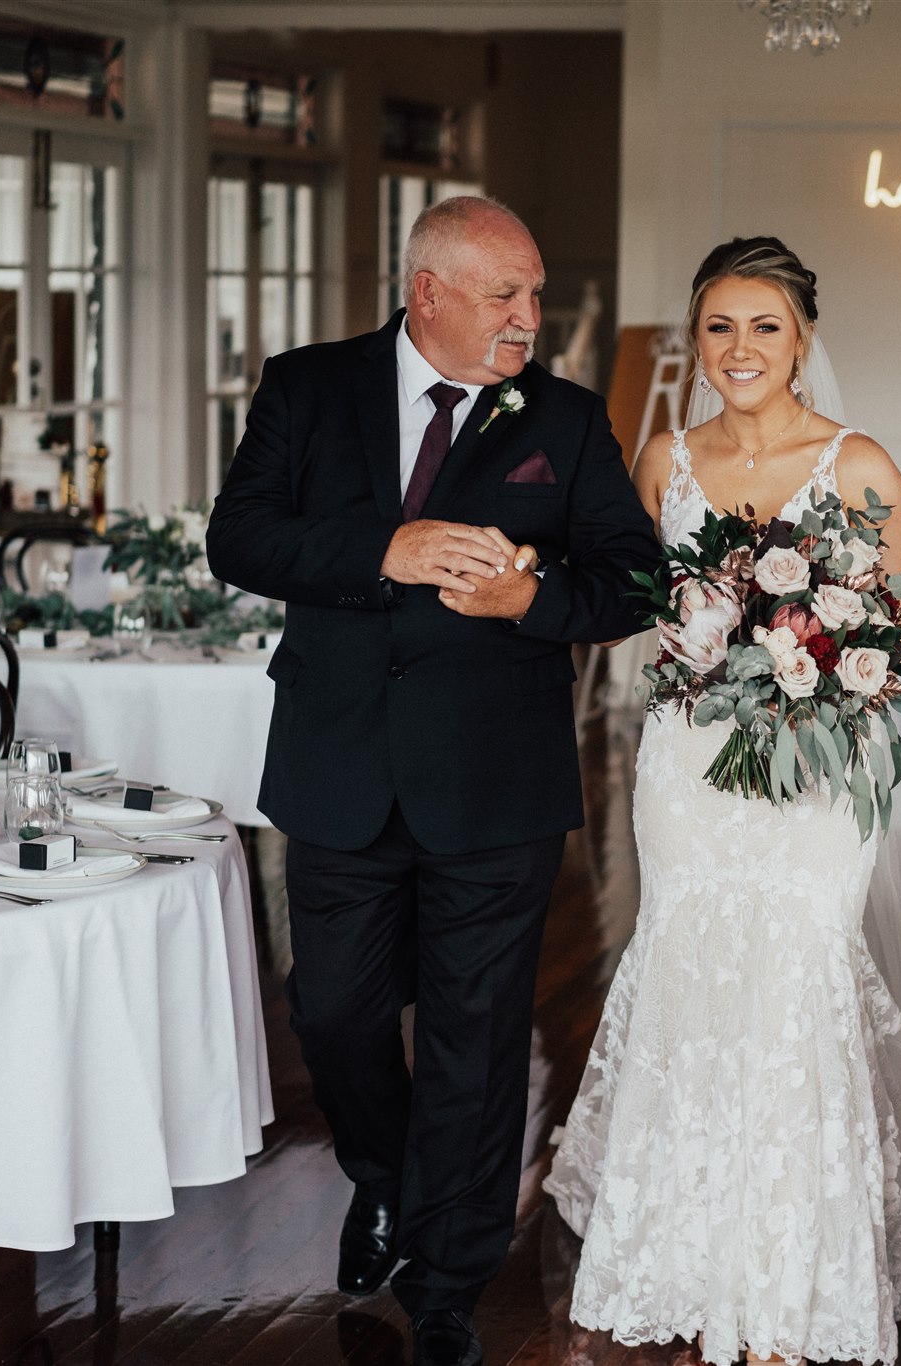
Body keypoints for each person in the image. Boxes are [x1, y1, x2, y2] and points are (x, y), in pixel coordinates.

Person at [205, 196, 658, 1366]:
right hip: (337, 763)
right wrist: (380, 552)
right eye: (504, 295)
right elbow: (239, 540)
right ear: (427, 292)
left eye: (534, 295)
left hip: (495, 782)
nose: (528, 317)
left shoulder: (561, 416)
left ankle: (450, 1279)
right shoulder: (305, 389)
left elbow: (628, 583)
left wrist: (532, 600)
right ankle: (384, 1176)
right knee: (336, 1015)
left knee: (476, 1033)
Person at [545, 237, 901, 1366]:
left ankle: (791, 1273)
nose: (739, 349)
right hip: (688, 762)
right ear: (696, 341)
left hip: (816, 767)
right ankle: (679, 1249)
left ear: (802, 340)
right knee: (689, 962)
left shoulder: (859, 462)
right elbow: (641, 611)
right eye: (719, 327)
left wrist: (810, 658)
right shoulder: (663, 463)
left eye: (763, 327)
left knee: (793, 973)